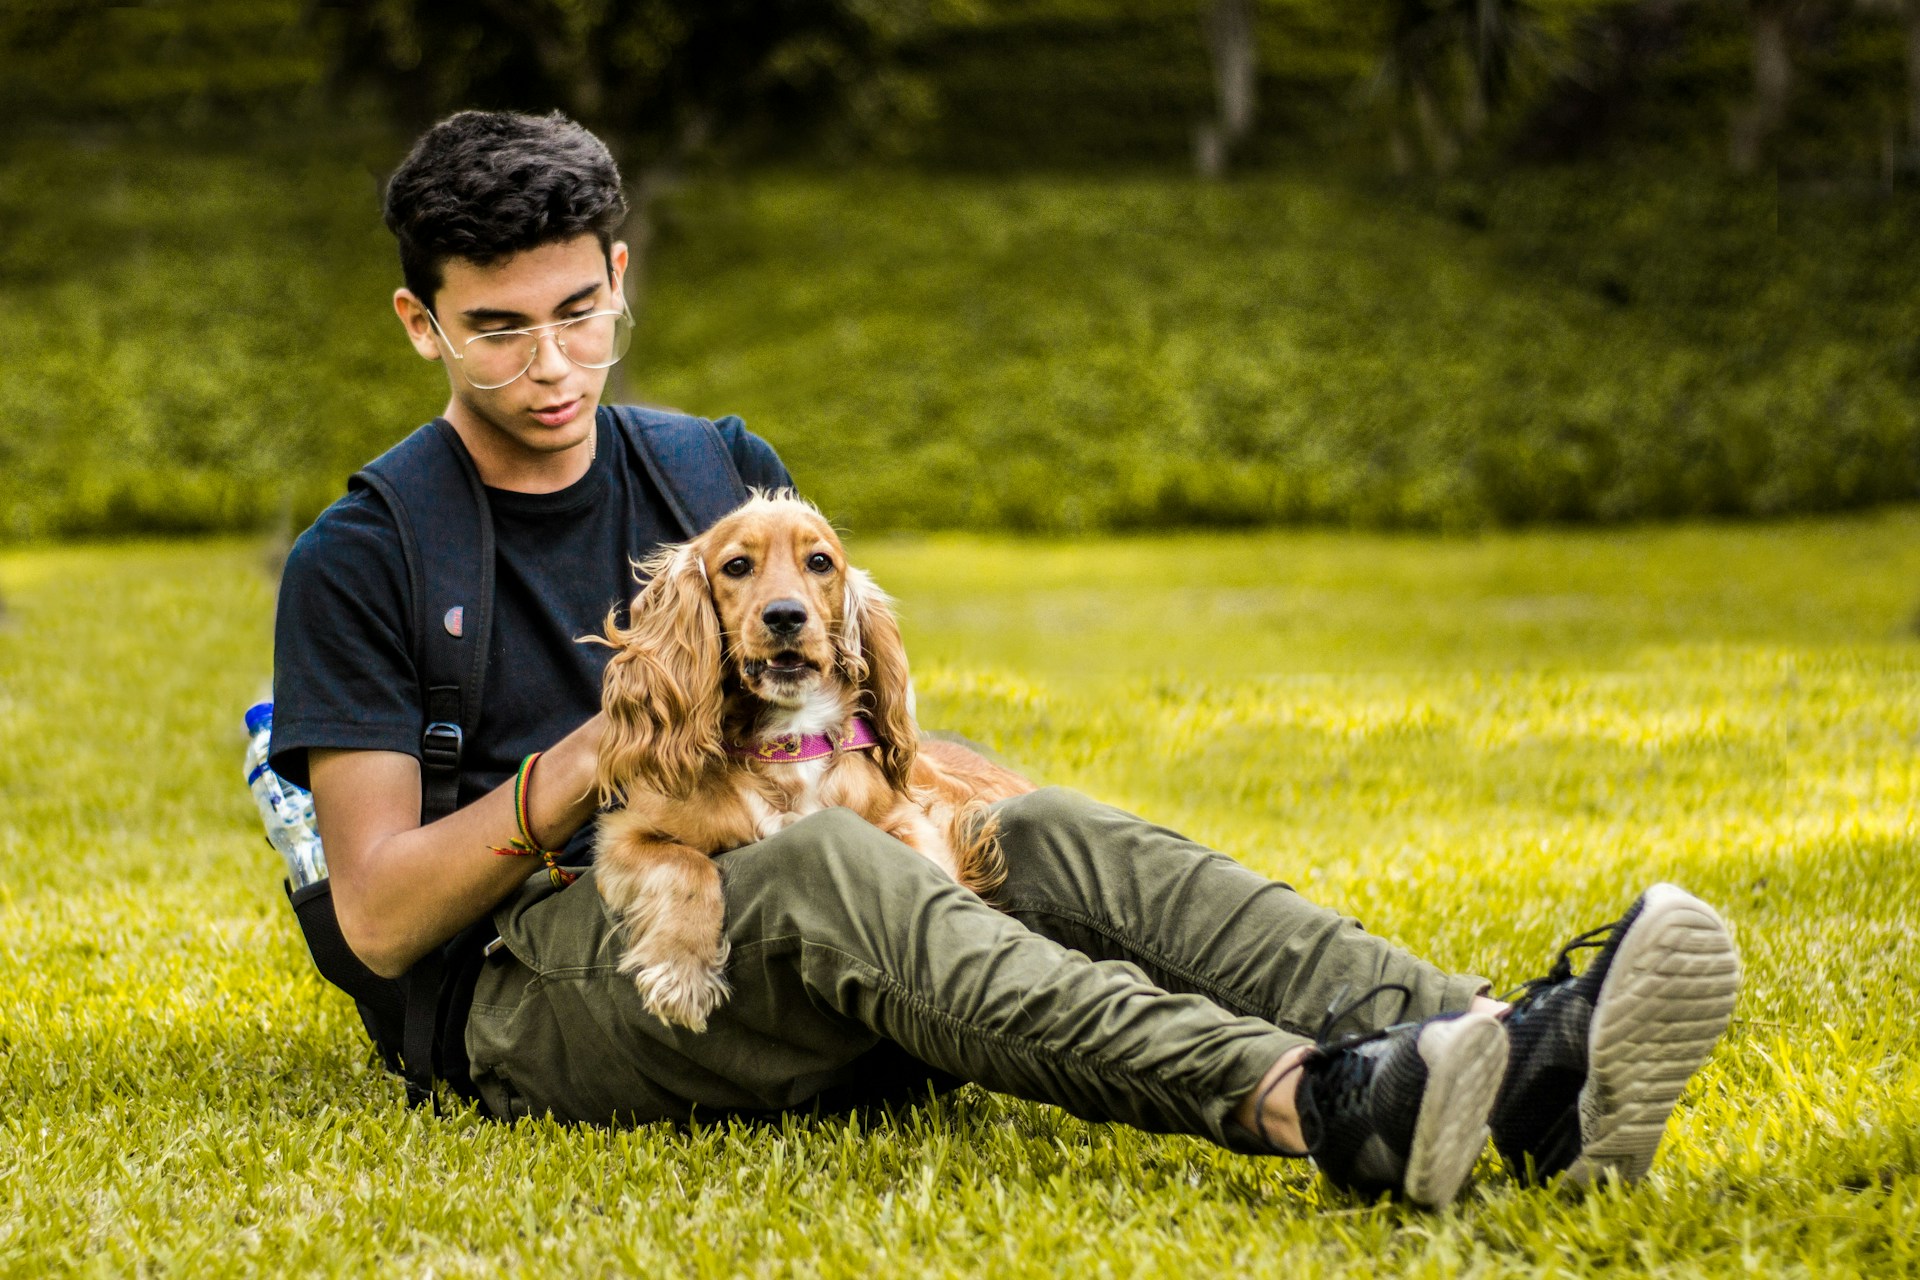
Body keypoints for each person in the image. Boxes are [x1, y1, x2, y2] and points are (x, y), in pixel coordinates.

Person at [270, 109, 1740, 1209]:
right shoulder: (372, 552)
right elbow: (384, 920)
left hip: (801, 906)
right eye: (498, 332)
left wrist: (985, 810)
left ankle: (1502, 1048)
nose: (552, 369)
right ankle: (1319, 1104)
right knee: (839, 872)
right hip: (559, 983)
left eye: (582, 314)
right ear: (421, 323)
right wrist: (608, 750)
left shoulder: (714, 471)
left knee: (1020, 825)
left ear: (620, 276)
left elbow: (851, 748)